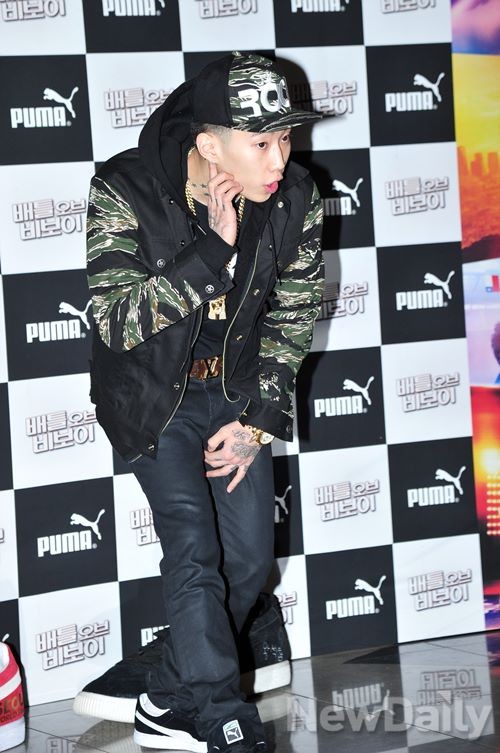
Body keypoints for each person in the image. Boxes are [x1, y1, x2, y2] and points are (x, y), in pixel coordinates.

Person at [86, 51, 324, 753]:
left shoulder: (295, 196)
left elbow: (295, 312)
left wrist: (257, 423)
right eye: (261, 143)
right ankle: (223, 715)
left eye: (286, 138)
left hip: (235, 395)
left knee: (246, 563)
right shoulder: (124, 187)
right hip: (153, 398)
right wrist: (212, 251)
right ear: (210, 145)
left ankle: (165, 697)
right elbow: (116, 321)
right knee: (192, 547)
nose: (280, 158)